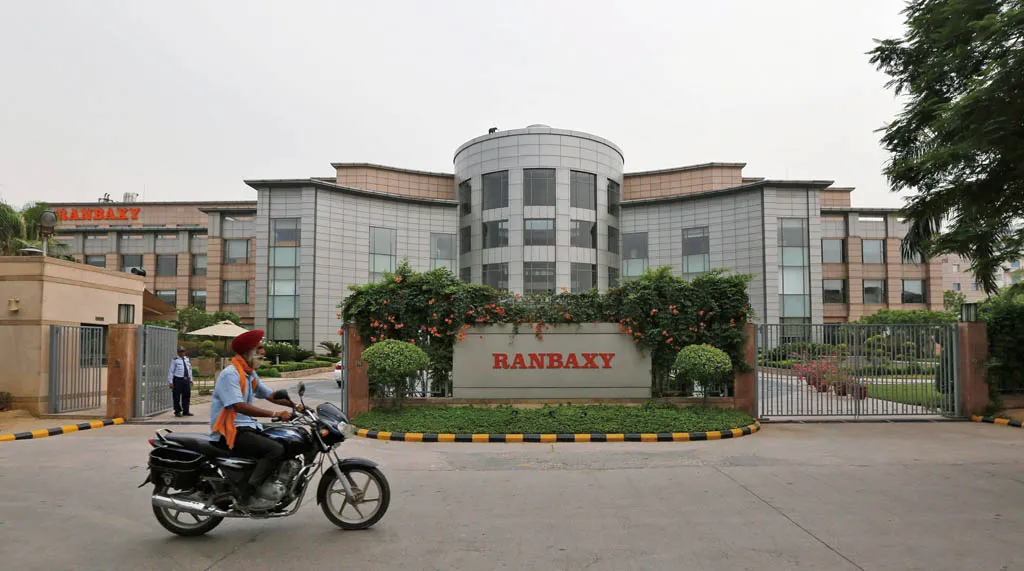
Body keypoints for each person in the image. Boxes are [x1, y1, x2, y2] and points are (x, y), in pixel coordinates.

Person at [210, 329, 299, 509]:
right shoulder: (231, 374)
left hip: (246, 427)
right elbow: (239, 406)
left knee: (282, 439)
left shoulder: (249, 374)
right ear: (248, 351)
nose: (263, 352)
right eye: (259, 348)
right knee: (275, 449)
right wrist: (275, 414)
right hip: (231, 430)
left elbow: (270, 395)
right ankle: (247, 493)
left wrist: (297, 407)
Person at [168, 347, 193, 417]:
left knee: (187, 395)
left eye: (183, 351)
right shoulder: (175, 360)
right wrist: (170, 382)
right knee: (176, 396)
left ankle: (186, 411)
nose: (182, 353)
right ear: (178, 352)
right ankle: (177, 411)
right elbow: (171, 371)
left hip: (186, 379)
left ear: (185, 352)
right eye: (180, 351)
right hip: (178, 380)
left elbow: (189, 370)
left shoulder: (187, 359)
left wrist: (191, 380)